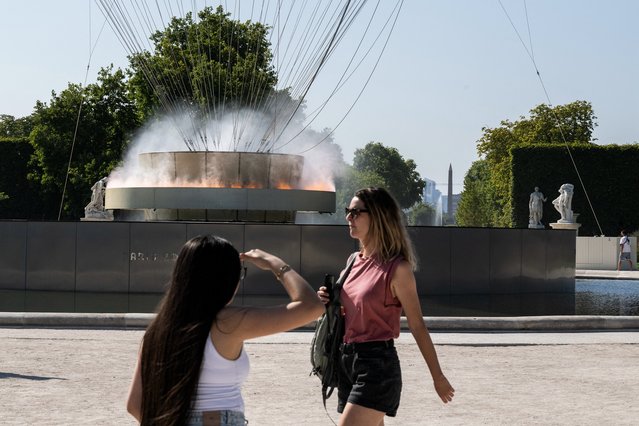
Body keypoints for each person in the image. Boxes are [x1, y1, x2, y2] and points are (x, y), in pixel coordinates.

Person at [126, 235, 324, 425]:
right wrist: (275, 263)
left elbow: (134, 405)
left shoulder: (157, 332)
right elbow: (312, 306)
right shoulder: (228, 322)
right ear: (225, 280)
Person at [317, 187, 455, 425]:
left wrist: (438, 377)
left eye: (356, 212)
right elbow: (348, 311)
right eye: (348, 211)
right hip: (346, 361)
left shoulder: (398, 269)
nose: (349, 217)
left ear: (378, 216)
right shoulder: (353, 261)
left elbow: (417, 325)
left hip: (377, 367)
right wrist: (330, 300)